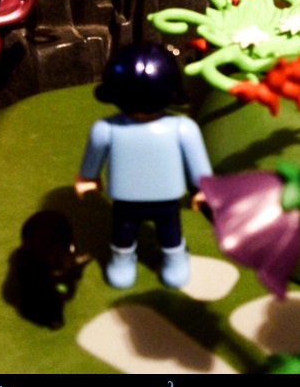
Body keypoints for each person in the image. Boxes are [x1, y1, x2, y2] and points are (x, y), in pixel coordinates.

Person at [74, 42, 213, 289]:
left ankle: (175, 260)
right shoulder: (106, 129)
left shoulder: (183, 129)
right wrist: (88, 177)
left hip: (165, 199)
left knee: (169, 232)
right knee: (124, 232)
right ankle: (122, 261)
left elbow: (198, 164)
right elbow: (92, 160)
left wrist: (204, 187)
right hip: (126, 199)